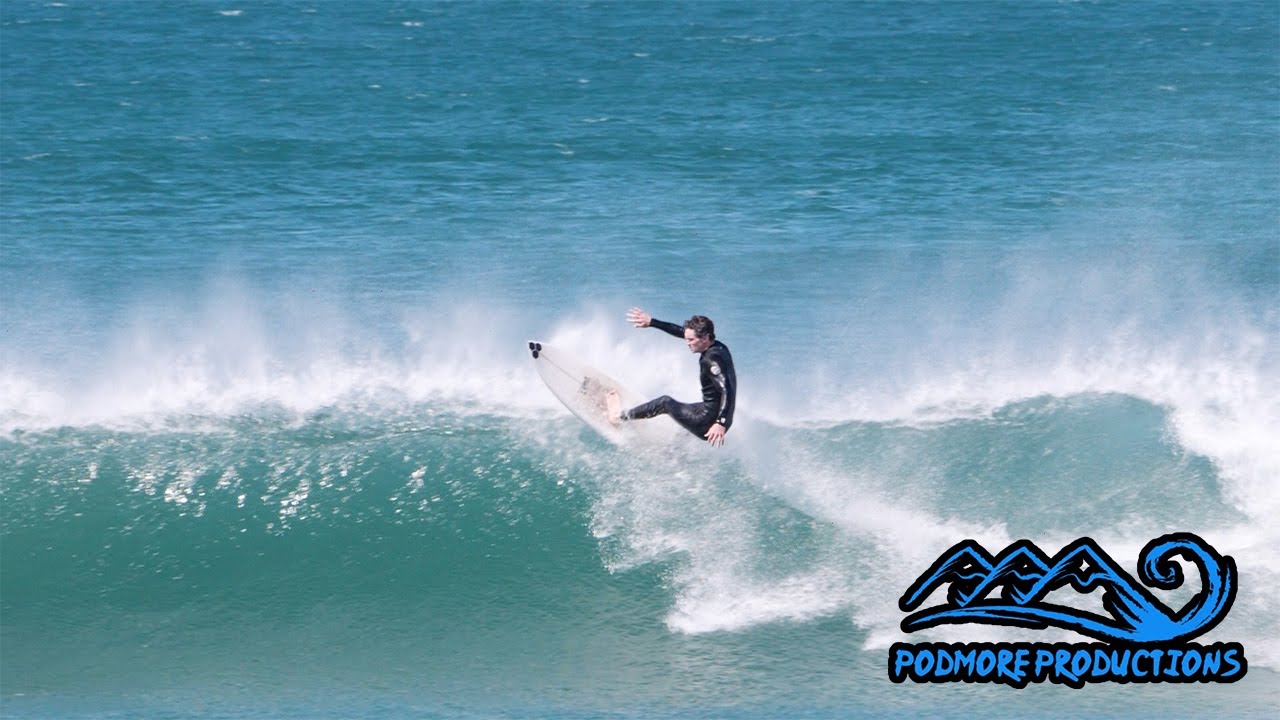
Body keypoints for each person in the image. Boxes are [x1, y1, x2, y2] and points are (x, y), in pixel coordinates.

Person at [607, 307, 737, 447]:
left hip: (707, 421)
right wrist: (652, 322)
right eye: (687, 339)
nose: (687, 343)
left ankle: (619, 417)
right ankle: (675, 456)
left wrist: (721, 423)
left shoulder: (711, 360)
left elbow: (728, 390)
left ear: (705, 338)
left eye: (691, 340)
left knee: (665, 402)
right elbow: (682, 332)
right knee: (684, 421)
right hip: (711, 411)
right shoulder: (717, 346)